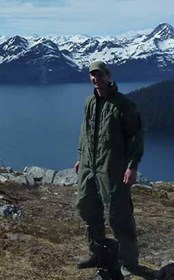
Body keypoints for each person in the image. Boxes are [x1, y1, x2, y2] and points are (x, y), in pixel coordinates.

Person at [74, 60, 144, 275]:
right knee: (87, 207)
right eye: (92, 75)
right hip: (88, 165)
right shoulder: (89, 103)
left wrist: (132, 166)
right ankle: (98, 253)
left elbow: (135, 136)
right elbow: (85, 132)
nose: (96, 79)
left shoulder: (123, 104)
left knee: (119, 214)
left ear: (108, 75)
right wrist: (80, 156)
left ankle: (128, 262)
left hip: (112, 167)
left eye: (100, 75)